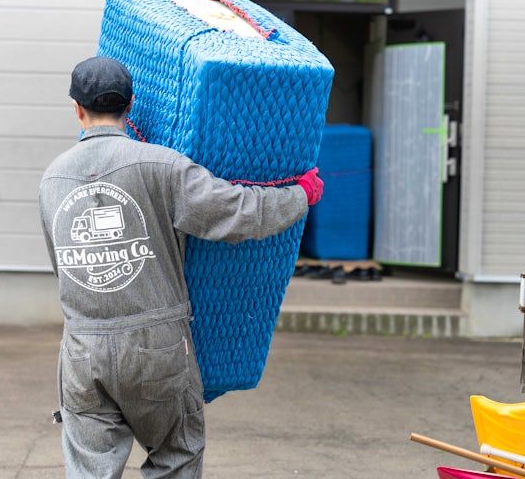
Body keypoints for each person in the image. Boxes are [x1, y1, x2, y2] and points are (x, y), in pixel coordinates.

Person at [38, 56, 324, 479]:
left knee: (89, 472)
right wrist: (299, 195)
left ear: (76, 108)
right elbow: (237, 211)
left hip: (82, 349)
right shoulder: (162, 166)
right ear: (130, 105)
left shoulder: (52, 179)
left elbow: (62, 267)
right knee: (176, 456)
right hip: (156, 347)